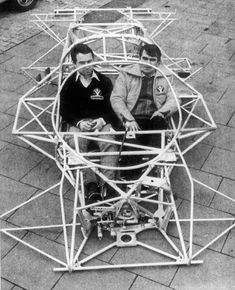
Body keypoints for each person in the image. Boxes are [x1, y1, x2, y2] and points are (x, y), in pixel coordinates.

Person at [60, 43, 118, 201]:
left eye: (90, 61)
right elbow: (64, 111)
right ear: (74, 64)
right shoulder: (68, 84)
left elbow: (113, 108)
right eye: (83, 63)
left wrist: (102, 120)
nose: (88, 66)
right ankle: (91, 185)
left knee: (110, 142)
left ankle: (109, 184)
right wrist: (78, 123)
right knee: (77, 143)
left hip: (101, 123)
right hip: (79, 124)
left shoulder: (104, 82)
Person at [110, 43, 179, 175]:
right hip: (133, 118)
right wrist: (128, 119)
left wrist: (162, 112)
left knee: (158, 138)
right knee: (132, 148)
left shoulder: (166, 76)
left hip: (154, 118)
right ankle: (132, 178)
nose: (147, 63)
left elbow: (174, 99)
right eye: (145, 58)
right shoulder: (126, 74)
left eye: (152, 60)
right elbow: (117, 98)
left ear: (158, 62)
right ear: (139, 58)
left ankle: (153, 172)